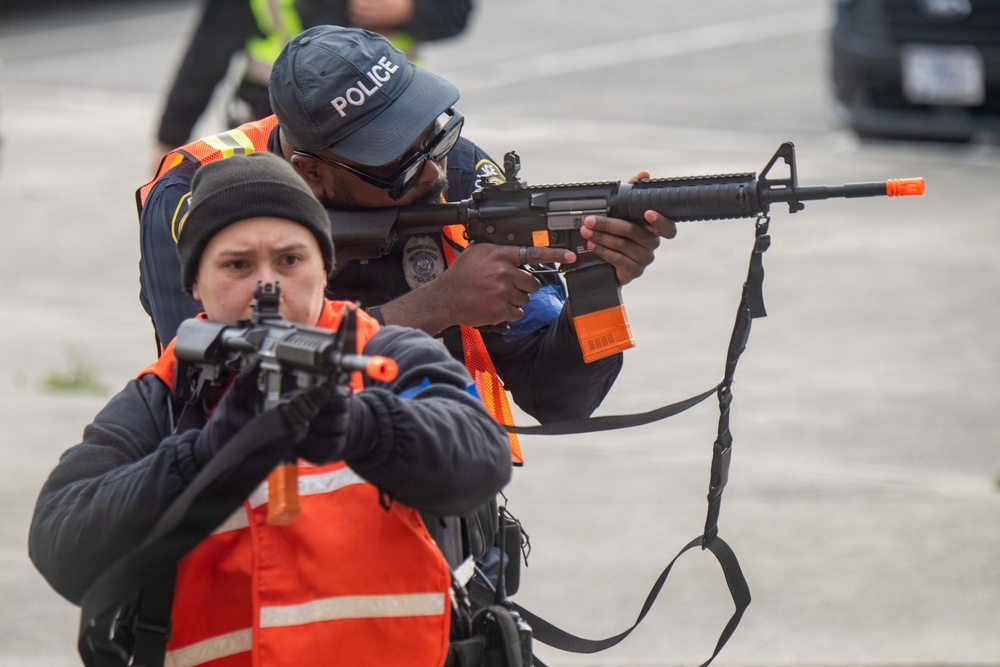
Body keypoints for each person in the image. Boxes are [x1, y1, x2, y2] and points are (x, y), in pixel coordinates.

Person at [30, 152, 512, 666]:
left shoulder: (386, 357)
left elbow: (482, 459)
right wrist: (210, 452)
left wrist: (363, 427)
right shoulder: (167, 395)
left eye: (290, 260)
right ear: (195, 283)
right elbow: (61, 543)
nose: (269, 287)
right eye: (237, 264)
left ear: (325, 269)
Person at [138, 25, 677, 455]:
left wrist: (597, 284)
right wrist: (436, 305)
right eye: (397, 159)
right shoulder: (198, 197)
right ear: (311, 175)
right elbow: (217, 392)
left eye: (435, 131)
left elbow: (561, 399)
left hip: (445, 511)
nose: (434, 174)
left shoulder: (458, 169)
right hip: (282, 520)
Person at [152, 0, 474, 168]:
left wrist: (409, 9)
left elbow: (455, 12)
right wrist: (170, 138)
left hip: (381, 112)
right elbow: (208, 49)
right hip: (273, 118)